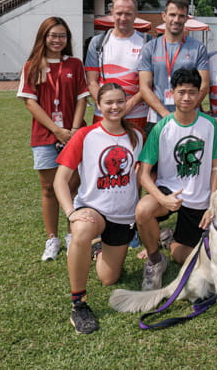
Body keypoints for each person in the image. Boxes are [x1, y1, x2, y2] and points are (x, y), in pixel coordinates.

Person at [54, 83, 144, 334]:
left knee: (109, 278)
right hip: (92, 209)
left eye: (119, 102)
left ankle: (98, 250)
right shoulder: (85, 135)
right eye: (108, 102)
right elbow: (60, 179)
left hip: (123, 216)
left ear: (126, 104)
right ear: (99, 105)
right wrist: (71, 213)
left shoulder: (136, 136)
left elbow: (140, 177)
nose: (114, 107)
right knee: (82, 230)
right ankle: (78, 304)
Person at [135, 67, 217, 291]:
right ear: (171, 93)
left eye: (192, 92)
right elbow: (143, 174)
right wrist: (161, 199)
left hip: (200, 199)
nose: (186, 98)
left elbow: (216, 167)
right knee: (143, 210)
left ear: (199, 94)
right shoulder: (162, 127)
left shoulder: (209, 124)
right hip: (169, 191)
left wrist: (213, 202)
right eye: (181, 92)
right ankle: (155, 261)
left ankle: (168, 241)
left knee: (189, 257)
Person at [18, 16, 89, 262]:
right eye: (53, 35)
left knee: (73, 187)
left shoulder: (75, 65)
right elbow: (30, 102)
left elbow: (82, 98)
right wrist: (57, 130)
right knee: (48, 189)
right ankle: (52, 238)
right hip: (45, 135)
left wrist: (73, 129)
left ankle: (72, 235)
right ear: (44, 37)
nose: (57, 40)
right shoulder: (32, 66)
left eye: (62, 36)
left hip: (73, 134)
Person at [137, 0, 210, 134]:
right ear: (164, 16)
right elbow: (144, 87)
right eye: (172, 15)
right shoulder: (150, 47)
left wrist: (184, 113)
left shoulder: (198, 48)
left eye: (181, 16)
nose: (176, 20)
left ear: (186, 19)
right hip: (158, 118)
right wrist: (166, 115)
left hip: (190, 118)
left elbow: (204, 86)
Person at [84, 0, 150, 133]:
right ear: (112, 13)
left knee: (135, 154)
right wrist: (107, 107)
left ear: (136, 14)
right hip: (103, 116)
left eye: (128, 14)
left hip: (136, 115)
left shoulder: (147, 42)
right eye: (119, 13)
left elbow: (149, 83)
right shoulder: (98, 42)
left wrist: (127, 106)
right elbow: (92, 82)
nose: (123, 18)